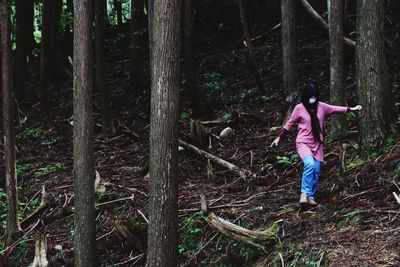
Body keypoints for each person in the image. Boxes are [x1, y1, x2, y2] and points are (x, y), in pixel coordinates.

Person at [270, 81, 362, 205]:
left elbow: (335, 109)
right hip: (303, 142)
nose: (312, 99)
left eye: (314, 96)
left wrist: (352, 109)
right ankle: (304, 193)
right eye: (310, 96)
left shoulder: (321, 107)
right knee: (310, 165)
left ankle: (311, 196)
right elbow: (289, 124)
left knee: (317, 170)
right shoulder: (299, 108)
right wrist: (278, 138)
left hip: (317, 143)